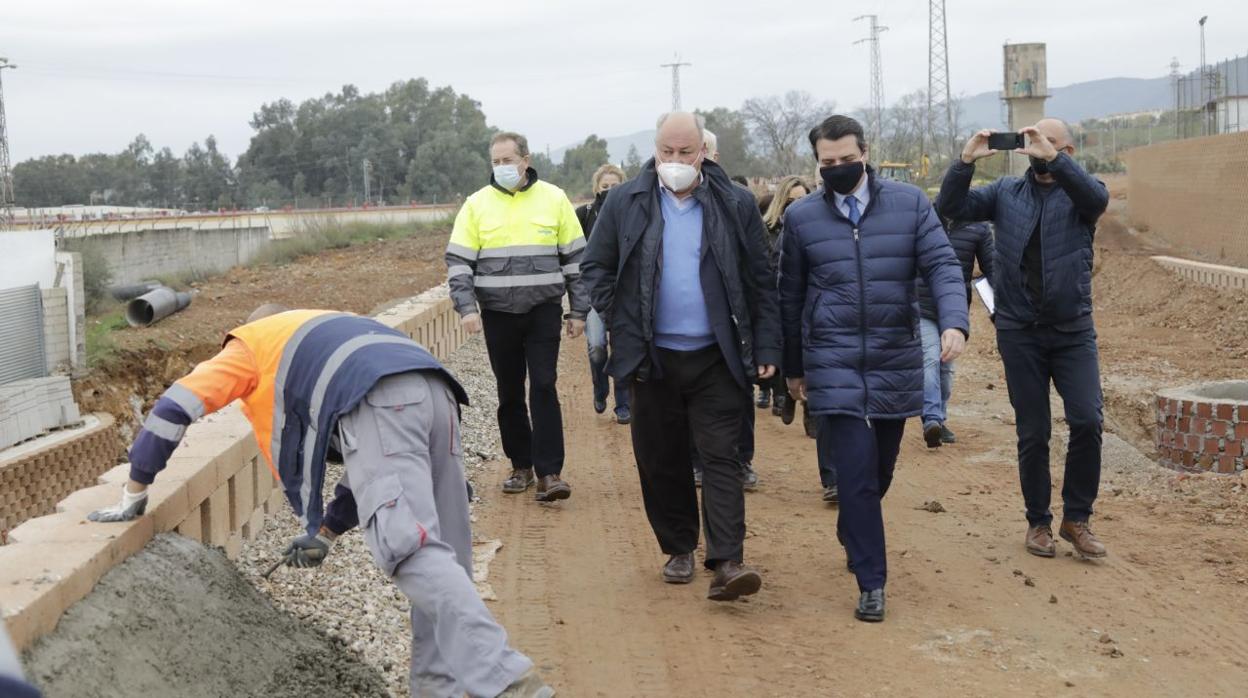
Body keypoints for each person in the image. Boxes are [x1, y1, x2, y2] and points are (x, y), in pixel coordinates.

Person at [86, 305, 554, 698]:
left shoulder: (248, 347)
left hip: (383, 401)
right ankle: (439, 689)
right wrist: (326, 532)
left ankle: (503, 676)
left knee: (409, 548)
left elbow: (173, 408)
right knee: (444, 554)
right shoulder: (329, 332)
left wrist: (136, 489)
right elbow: (370, 462)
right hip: (435, 394)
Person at [582, 112, 781, 601]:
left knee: (720, 457)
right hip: (651, 356)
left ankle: (728, 561)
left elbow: (760, 280)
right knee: (660, 457)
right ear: (654, 150)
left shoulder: (734, 204)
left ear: (703, 152)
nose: (675, 162)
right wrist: (621, 315)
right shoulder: (624, 203)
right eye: (667, 152)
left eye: (685, 153)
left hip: (716, 356)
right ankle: (678, 547)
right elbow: (596, 266)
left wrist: (767, 347)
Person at [780, 115, 968, 622]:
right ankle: (872, 582)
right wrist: (792, 369)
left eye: (847, 160)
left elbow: (944, 266)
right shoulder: (801, 219)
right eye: (827, 163)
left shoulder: (909, 204)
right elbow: (790, 296)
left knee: (880, 471)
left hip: (892, 354)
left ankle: (853, 530)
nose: (838, 169)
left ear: (866, 153)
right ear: (817, 162)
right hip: (832, 359)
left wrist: (954, 322)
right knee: (857, 476)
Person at [937, 119, 1109, 560]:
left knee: (1087, 420)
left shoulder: (1082, 193)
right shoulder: (1005, 194)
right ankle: (1039, 523)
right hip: (1020, 332)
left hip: (1072, 331)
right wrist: (965, 161)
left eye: (1047, 143)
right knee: (1033, 431)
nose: (1036, 148)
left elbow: (1096, 199)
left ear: (1066, 150)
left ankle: (1077, 518)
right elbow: (952, 206)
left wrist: (1054, 161)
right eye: (1031, 142)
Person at [446, 131, 587, 501]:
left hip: (543, 310)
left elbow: (575, 260)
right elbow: (459, 262)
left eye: (508, 160)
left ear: (525, 160)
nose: (502, 167)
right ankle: (520, 465)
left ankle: (550, 472)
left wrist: (579, 310)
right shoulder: (476, 205)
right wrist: (466, 307)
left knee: (543, 385)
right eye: (496, 161)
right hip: (498, 314)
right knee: (509, 390)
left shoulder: (554, 199)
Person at [690, 129, 761, 492]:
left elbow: (755, 268)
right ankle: (698, 462)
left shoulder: (739, 201)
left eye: (704, 151)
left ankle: (743, 459)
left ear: (714, 156)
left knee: (738, 395)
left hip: (732, 320)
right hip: (692, 325)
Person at [916, 218, 994, 448]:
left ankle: (938, 415)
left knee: (946, 370)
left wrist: (1003, 304)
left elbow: (992, 267)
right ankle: (931, 419)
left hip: (954, 310)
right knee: (930, 358)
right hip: (922, 304)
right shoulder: (924, 218)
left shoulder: (978, 227)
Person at [576, 164, 631, 424]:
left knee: (623, 349)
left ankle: (624, 404)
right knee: (597, 346)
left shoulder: (633, 212)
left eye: (615, 186)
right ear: (596, 188)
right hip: (595, 293)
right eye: (605, 186)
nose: (610, 191)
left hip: (625, 292)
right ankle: (600, 388)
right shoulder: (584, 214)